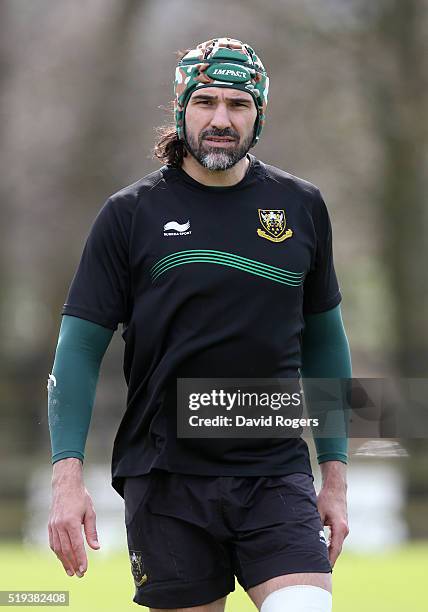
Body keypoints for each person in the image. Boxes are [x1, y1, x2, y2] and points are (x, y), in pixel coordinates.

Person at [48, 37, 351, 612]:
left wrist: (334, 475)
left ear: (258, 114)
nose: (221, 119)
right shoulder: (130, 214)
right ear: (181, 108)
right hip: (165, 479)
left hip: (275, 473)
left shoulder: (302, 206)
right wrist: (67, 478)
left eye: (238, 104)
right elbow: (78, 351)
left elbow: (327, 344)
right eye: (206, 102)